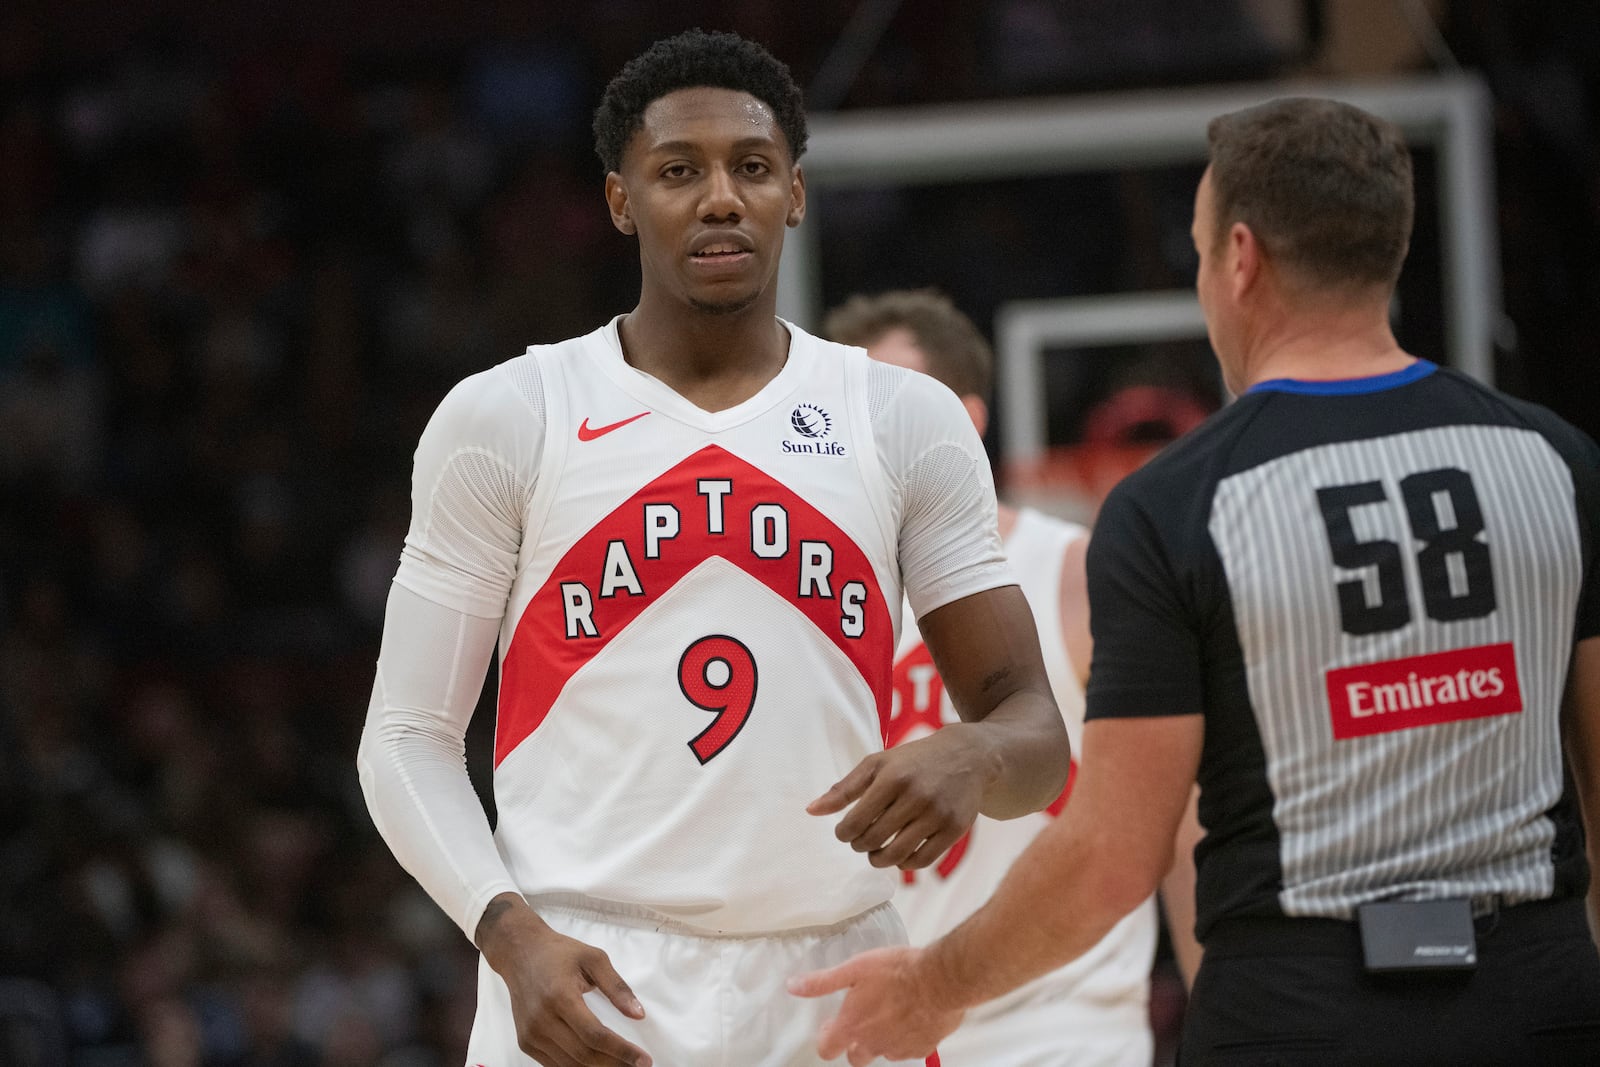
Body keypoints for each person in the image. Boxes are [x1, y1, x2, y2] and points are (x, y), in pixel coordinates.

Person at [792, 96, 1600, 1066]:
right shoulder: (1555, 462)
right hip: (1537, 993)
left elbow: (1110, 852)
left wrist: (932, 985)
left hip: (1300, 1000)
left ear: (1241, 259)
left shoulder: (1176, 504)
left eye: (1200, 249)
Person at [356, 29, 1071, 1067]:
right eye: (678, 171)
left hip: (832, 974)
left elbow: (1036, 733)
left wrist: (976, 749)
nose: (720, 197)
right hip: (585, 966)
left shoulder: (902, 418)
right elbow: (404, 735)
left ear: (796, 194)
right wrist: (505, 933)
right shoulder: (510, 415)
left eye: (751, 167)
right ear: (619, 201)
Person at [822, 288, 1162, 1067]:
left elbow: (1169, 825)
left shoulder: (1075, 569)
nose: (863, 434)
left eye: (891, 405)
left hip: (1062, 1025)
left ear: (964, 421)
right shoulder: (814, 598)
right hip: (878, 1032)